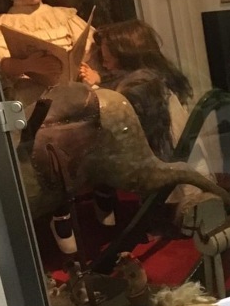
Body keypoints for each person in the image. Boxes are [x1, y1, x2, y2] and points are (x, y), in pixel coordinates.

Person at [0, 0, 97, 252]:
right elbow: (1, 64)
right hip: (32, 95)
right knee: (49, 135)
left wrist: (87, 69)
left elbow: (86, 52)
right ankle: (60, 209)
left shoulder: (64, 16)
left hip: (75, 88)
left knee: (109, 112)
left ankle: (104, 191)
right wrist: (27, 65)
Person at [81, 19, 212, 210]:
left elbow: (121, 110)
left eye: (107, 49)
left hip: (170, 157)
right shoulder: (149, 74)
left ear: (124, 51)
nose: (103, 55)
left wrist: (94, 87)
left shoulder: (142, 82)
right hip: (178, 152)